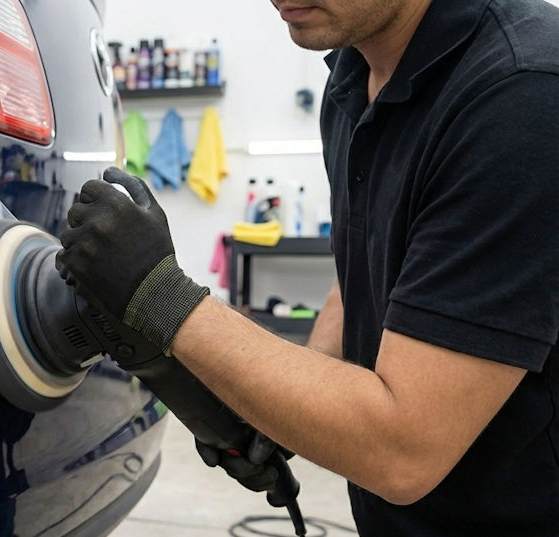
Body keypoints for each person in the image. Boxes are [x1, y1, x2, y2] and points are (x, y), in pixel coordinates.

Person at [56, 0, 558, 535]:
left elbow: (404, 450)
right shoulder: (351, 80)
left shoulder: (522, 94)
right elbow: (370, 264)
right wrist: (286, 401)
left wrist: (159, 296)